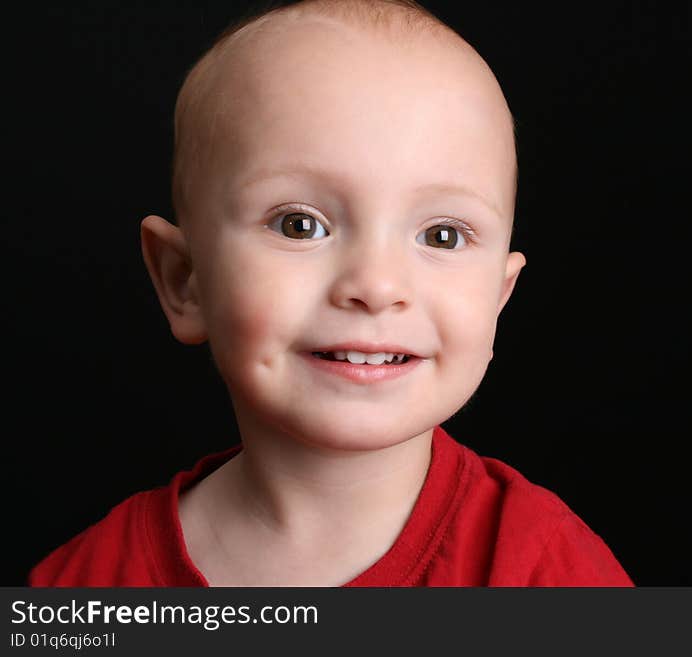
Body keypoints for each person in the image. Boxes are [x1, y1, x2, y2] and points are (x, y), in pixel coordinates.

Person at [29, 0, 633, 587]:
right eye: (299, 224)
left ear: (499, 300)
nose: (376, 286)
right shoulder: (83, 587)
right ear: (184, 281)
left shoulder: (544, 570)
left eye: (442, 234)